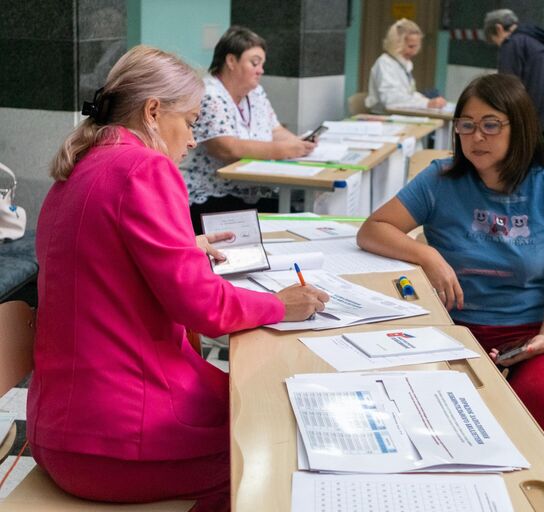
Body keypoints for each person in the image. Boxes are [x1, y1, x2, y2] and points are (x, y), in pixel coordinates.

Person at [29, 45, 329, 511]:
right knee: (275, 448)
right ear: (153, 111)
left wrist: (184, 250)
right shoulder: (145, 167)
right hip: (118, 438)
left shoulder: (77, 168)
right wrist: (281, 305)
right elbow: (203, 308)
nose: (192, 139)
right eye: (189, 122)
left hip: (60, 429)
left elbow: (95, 262)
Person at [357, 73, 544, 451]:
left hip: (527, 334)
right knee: (422, 412)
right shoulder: (439, 179)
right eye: (466, 125)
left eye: (491, 125)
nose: (476, 137)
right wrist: (426, 253)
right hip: (451, 328)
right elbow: (373, 229)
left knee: (540, 400)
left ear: (519, 127)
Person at [182, 25, 315, 234]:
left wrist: (301, 145)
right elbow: (227, 148)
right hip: (213, 194)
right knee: (286, 224)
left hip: (251, 190)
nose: (260, 70)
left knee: (297, 216)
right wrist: (288, 150)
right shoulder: (209, 94)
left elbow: (276, 130)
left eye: (262, 64)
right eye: (254, 62)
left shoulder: (255, 92)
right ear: (231, 61)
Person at [484, 8, 544, 164]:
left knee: (530, 172)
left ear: (499, 28)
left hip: (541, 118)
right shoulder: (536, 40)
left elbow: (507, 87)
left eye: (495, 41)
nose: (499, 46)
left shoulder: (512, 43)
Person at [364, 18, 448, 114]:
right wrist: (427, 103)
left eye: (417, 46)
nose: (414, 52)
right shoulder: (384, 64)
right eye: (411, 46)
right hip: (383, 117)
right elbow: (391, 100)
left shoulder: (404, 64)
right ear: (396, 44)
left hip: (401, 114)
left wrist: (424, 99)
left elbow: (408, 94)